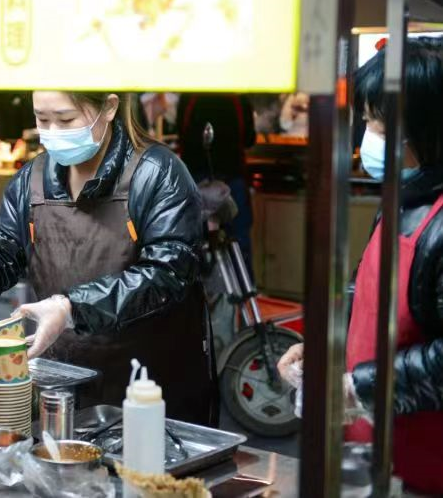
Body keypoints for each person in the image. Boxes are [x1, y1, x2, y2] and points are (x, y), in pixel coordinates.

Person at [0, 91, 216, 424]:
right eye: (42, 119)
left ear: (109, 108)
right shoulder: (33, 179)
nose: (53, 131)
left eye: (66, 120)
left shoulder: (157, 174)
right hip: (66, 386)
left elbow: (168, 273)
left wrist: (71, 308)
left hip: (152, 388)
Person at [278, 38, 443, 495]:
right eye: (366, 120)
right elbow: (363, 291)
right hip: (371, 445)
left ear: (429, 131)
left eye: (380, 125)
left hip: (426, 465)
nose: (366, 138)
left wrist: (357, 388)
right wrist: (325, 345)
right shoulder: (400, 196)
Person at [178, 93, 256, 272]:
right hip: (231, 177)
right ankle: (244, 291)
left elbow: (182, 133)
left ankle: (196, 293)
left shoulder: (189, 93)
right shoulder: (237, 94)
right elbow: (249, 138)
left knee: (192, 242)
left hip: (196, 177)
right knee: (238, 240)